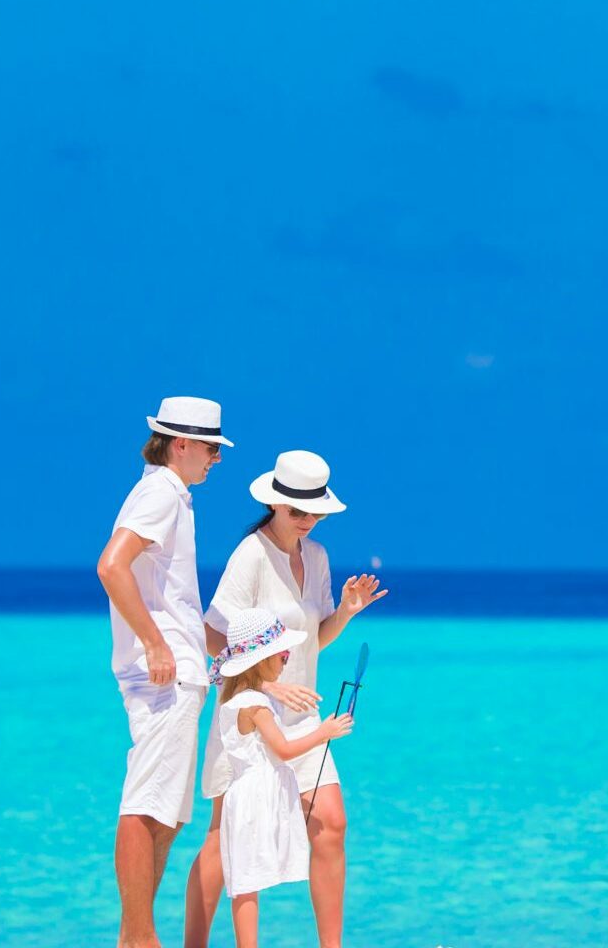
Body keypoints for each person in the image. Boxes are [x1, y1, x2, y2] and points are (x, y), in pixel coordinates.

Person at [185, 450, 388, 948]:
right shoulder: (251, 554)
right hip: (248, 710)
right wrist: (266, 684)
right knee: (224, 838)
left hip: (302, 712)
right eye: (298, 511)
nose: (307, 520)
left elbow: (309, 640)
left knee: (331, 823)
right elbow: (213, 637)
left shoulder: (315, 557)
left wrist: (345, 611)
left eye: (315, 511)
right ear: (275, 504)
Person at [95, 396, 232, 948]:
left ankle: (135, 936)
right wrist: (155, 645)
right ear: (181, 444)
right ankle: (140, 939)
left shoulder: (170, 494)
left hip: (180, 672)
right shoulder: (160, 493)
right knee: (146, 804)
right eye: (211, 448)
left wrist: (231, 653)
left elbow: (172, 599)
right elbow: (111, 565)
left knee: (169, 816)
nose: (216, 459)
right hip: (164, 677)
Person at [212, 606, 356, 948]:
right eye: (282, 654)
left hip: (241, 796)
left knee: (245, 882)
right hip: (253, 798)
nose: (286, 661)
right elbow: (283, 750)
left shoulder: (235, 699)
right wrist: (324, 732)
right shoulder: (256, 705)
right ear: (260, 660)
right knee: (247, 879)